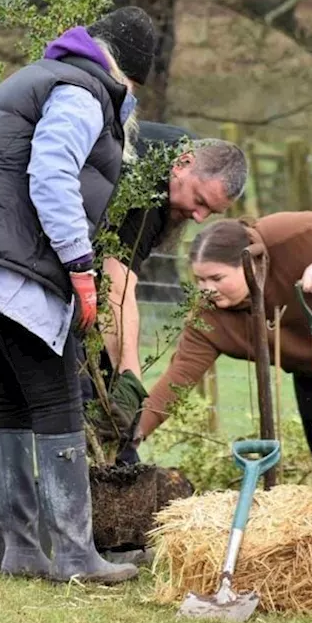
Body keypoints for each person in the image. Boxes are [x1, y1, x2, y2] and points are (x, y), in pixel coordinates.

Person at [0, 7, 157, 584]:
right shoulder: (83, 92)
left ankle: (21, 550)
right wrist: (80, 265)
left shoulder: (40, 75)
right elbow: (51, 174)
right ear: (129, 75)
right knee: (57, 397)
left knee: (11, 397)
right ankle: (73, 554)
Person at [128, 211, 312, 488]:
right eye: (200, 280)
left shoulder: (284, 235)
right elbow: (179, 377)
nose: (207, 290)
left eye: (216, 278)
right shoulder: (208, 318)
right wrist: (135, 431)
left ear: (248, 262)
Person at [89, 133, 247, 448]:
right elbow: (115, 289)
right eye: (200, 201)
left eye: (210, 212)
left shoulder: (172, 166)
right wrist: (130, 375)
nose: (199, 217)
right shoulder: (146, 190)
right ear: (183, 164)